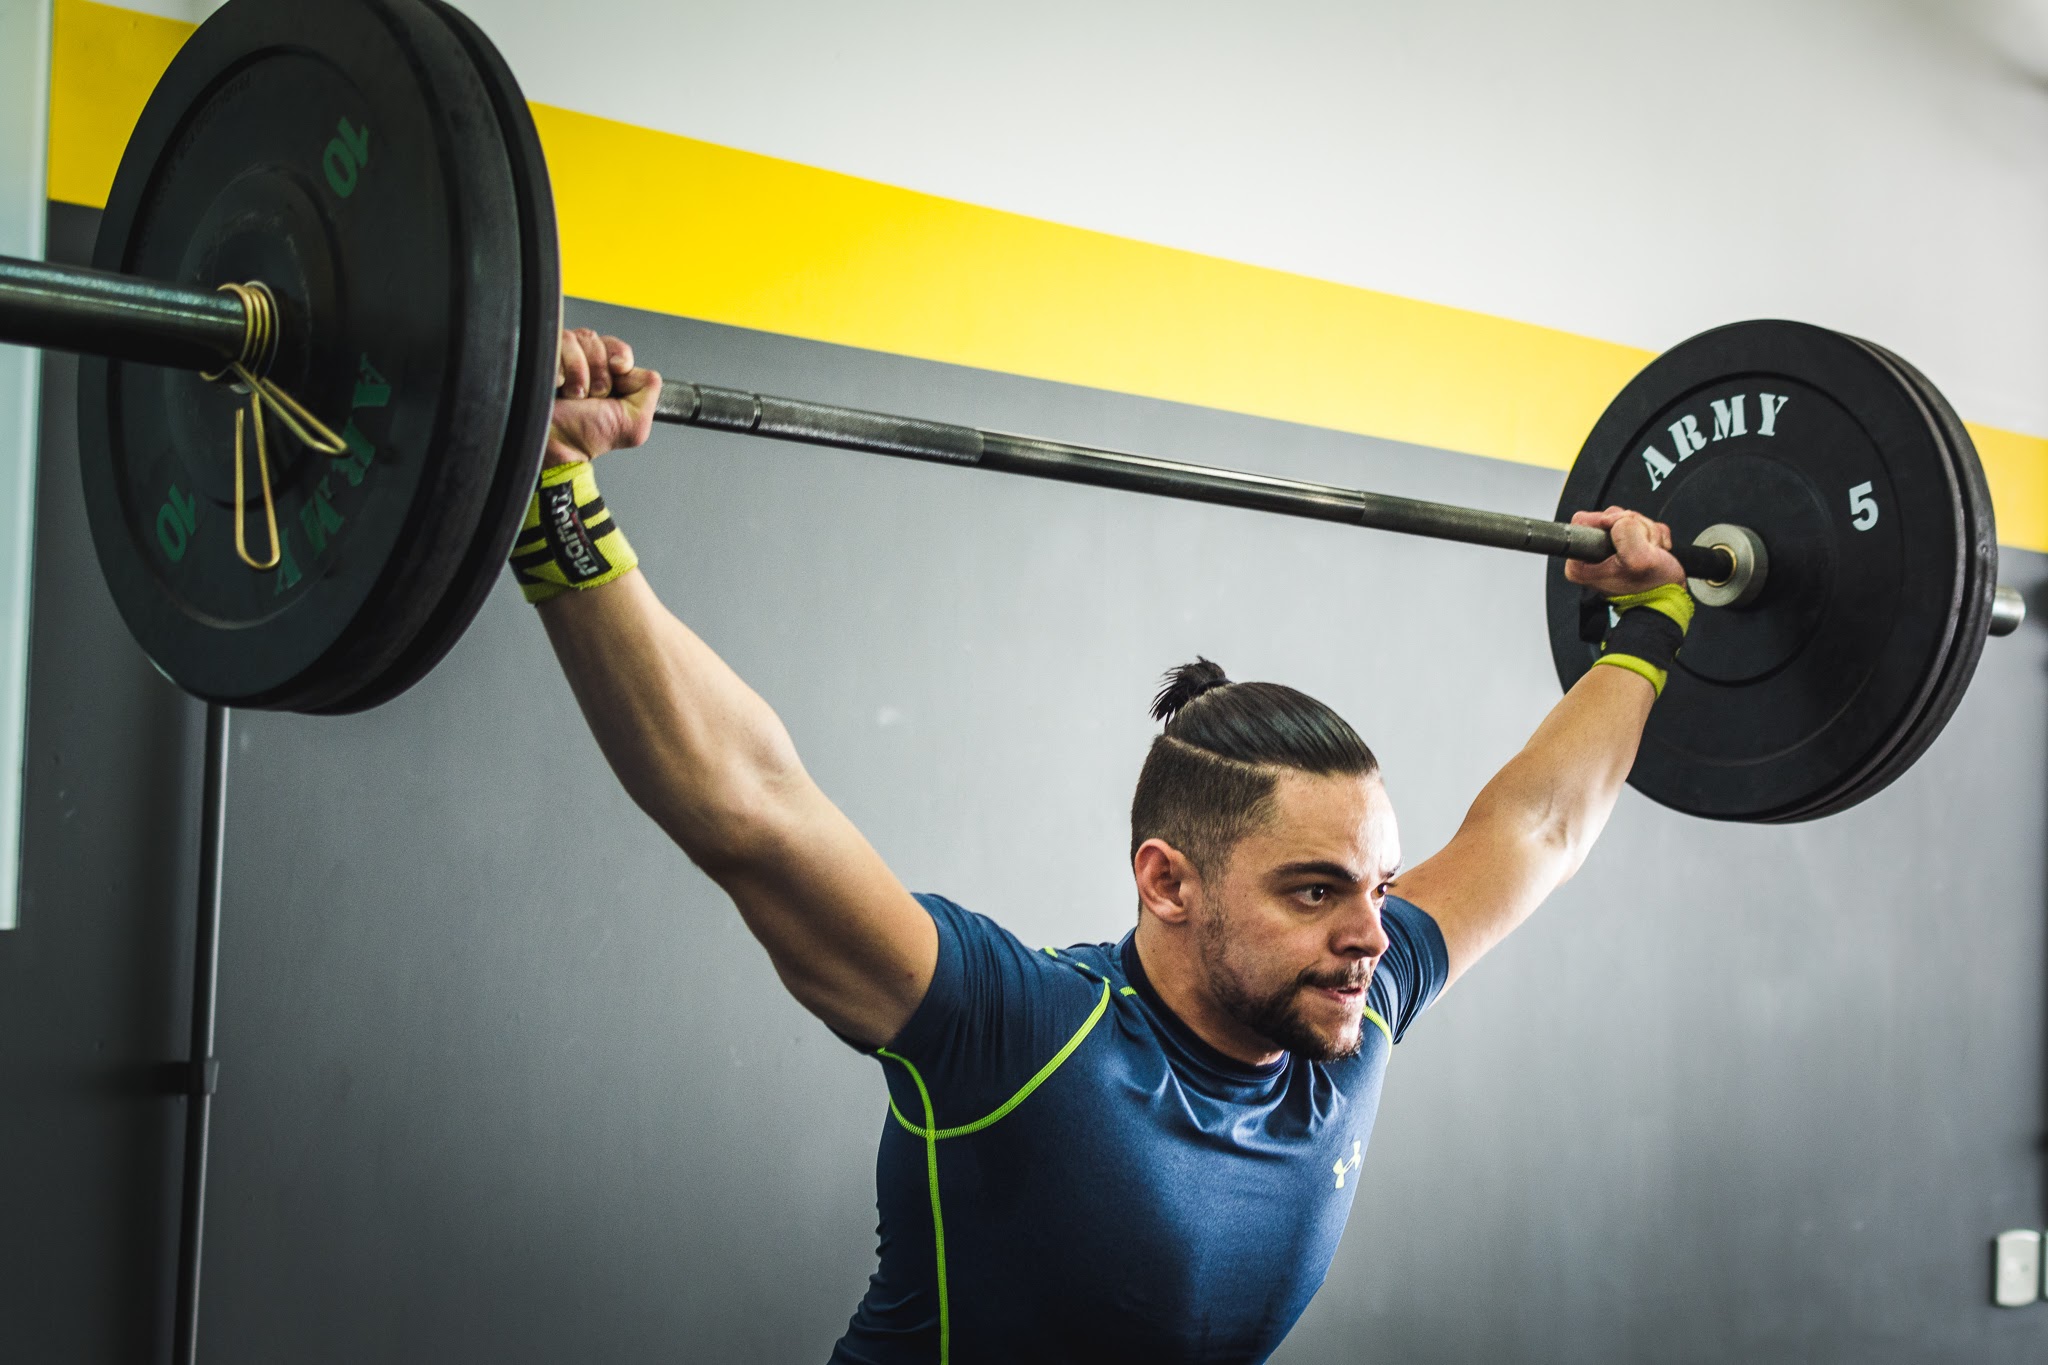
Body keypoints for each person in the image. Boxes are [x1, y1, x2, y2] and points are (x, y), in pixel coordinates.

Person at [518, 328, 1693, 1364]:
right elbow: (750, 809)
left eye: (1378, 888)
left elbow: (1534, 825)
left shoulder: (1356, 1003)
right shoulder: (1017, 1031)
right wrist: (555, 499)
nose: (1368, 936)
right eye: (1315, 890)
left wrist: (1648, 625)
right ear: (1165, 881)